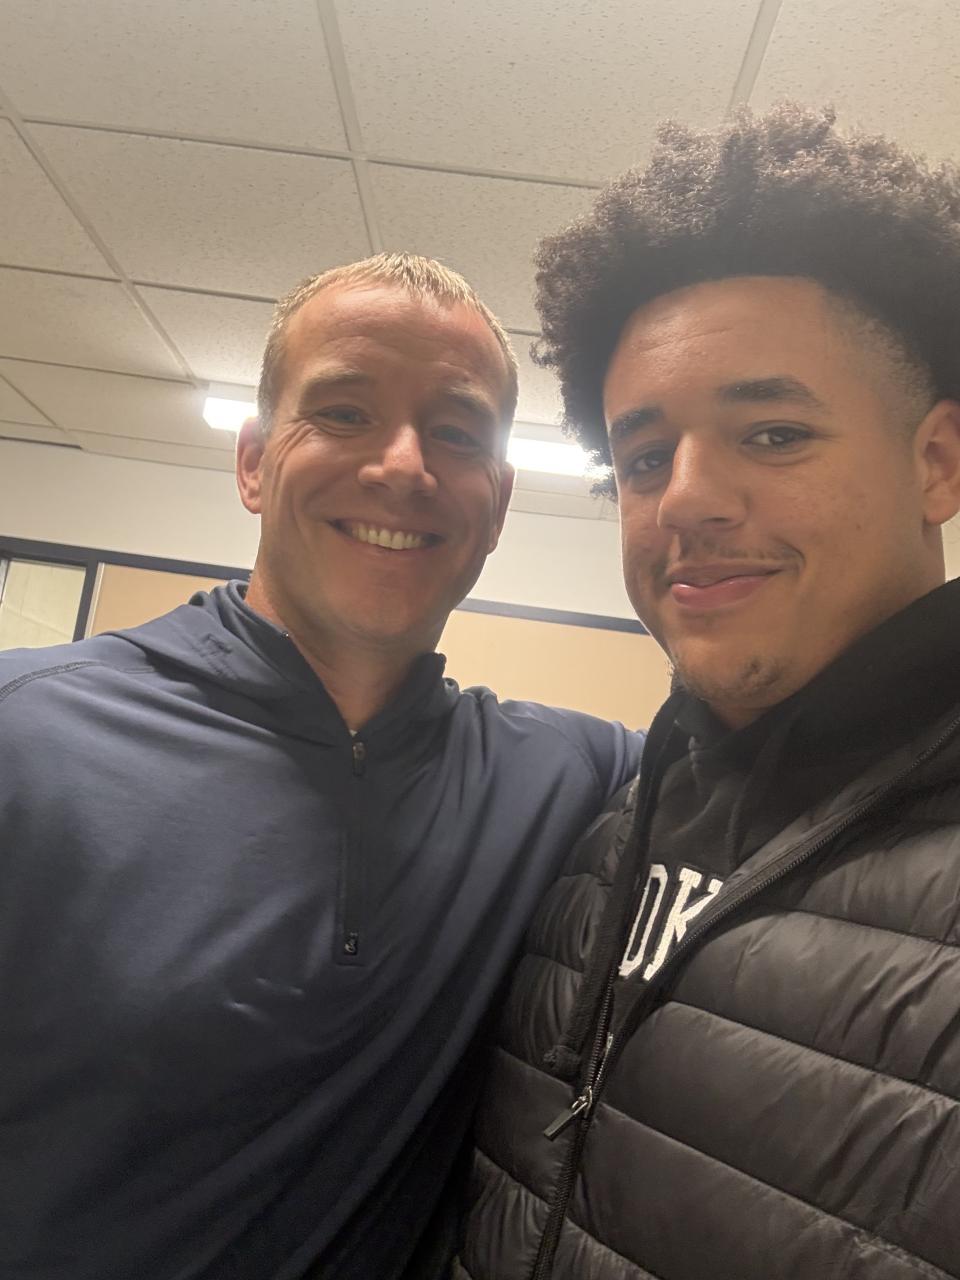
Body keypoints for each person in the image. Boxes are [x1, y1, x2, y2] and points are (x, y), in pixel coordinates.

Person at [0, 253, 643, 1280]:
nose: (405, 465)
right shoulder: (26, 732)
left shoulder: (573, 777)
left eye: (457, 431)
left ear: (498, 501)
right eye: (344, 412)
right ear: (255, 462)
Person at [459, 106, 960, 1280]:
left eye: (773, 433)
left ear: (936, 462)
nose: (683, 499)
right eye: (644, 458)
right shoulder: (600, 833)